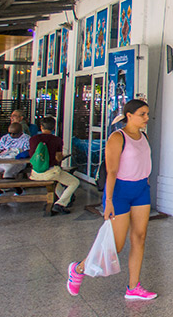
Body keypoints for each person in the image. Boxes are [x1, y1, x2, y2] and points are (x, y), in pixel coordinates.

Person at [66, 100, 156, 300]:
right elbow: (112, 171)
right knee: (116, 245)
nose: (147, 118)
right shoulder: (117, 138)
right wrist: (108, 201)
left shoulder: (144, 136)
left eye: (147, 114)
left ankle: (133, 287)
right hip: (120, 193)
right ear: (129, 115)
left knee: (139, 238)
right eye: (142, 114)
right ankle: (78, 269)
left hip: (141, 190)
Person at [29, 117, 81, 215]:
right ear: (53, 128)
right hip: (50, 172)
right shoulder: (56, 140)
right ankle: (60, 204)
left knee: (57, 181)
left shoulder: (33, 139)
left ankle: (64, 201)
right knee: (74, 182)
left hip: (36, 173)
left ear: (41, 127)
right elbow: (58, 157)